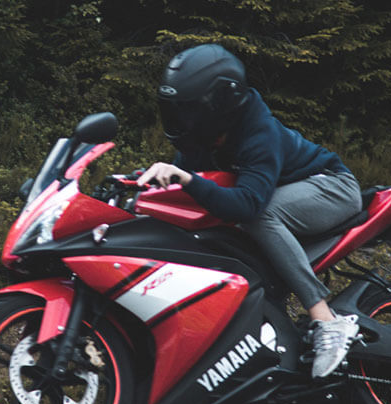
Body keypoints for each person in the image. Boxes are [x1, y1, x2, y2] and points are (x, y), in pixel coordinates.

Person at [137, 44, 362, 379]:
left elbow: (247, 204)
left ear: (219, 105)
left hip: (332, 187)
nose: (181, 119)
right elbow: (183, 191)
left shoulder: (259, 131)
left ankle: (326, 319)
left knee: (258, 216)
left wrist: (187, 179)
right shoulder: (198, 140)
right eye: (176, 110)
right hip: (285, 196)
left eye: (189, 110)